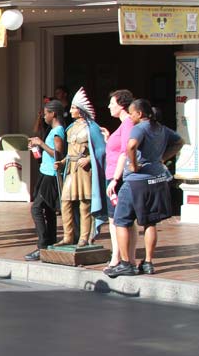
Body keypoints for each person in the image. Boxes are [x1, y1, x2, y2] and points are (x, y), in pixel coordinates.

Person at [104, 99, 183, 277]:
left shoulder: (139, 128)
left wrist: (133, 165)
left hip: (136, 181)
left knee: (121, 221)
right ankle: (148, 262)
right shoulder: (161, 128)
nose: (130, 117)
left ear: (139, 114)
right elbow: (179, 142)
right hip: (156, 179)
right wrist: (161, 158)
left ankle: (126, 264)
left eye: (132, 113)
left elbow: (131, 146)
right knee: (150, 222)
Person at [55, 89, 106, 247]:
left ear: (81, 110)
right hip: (71, 169)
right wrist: (62, 162)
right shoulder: (70, 128)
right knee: (66, 202)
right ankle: (68, 236)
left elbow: (102, 149)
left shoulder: (92, 128)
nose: (70, 111)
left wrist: (89, 159)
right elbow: (70, 152)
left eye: (73, 108)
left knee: (85, 204)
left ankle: (84, 237)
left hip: (84, 171)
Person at [25, 101, 66, 260]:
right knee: (48, 210)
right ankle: (50, 242)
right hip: (45, 172)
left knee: (37, 208)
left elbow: (58, 154)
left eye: (46, 113)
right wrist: (37, 148)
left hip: (51, 175)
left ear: (53, 114)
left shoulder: (58, 131)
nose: (44, 116)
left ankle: (42, 245)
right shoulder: (54, 130)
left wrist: (40, 143)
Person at [102, 90, 136, 269]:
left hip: (118, 176)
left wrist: (116, 179)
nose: (109, 106)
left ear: (121, 105)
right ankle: (125, 257)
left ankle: (119, 257)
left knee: (117, 219)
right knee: (120, 219)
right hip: (114, 174)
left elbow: (125, 152)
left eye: (112, 103)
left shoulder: (128, 123)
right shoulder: (123, 125)